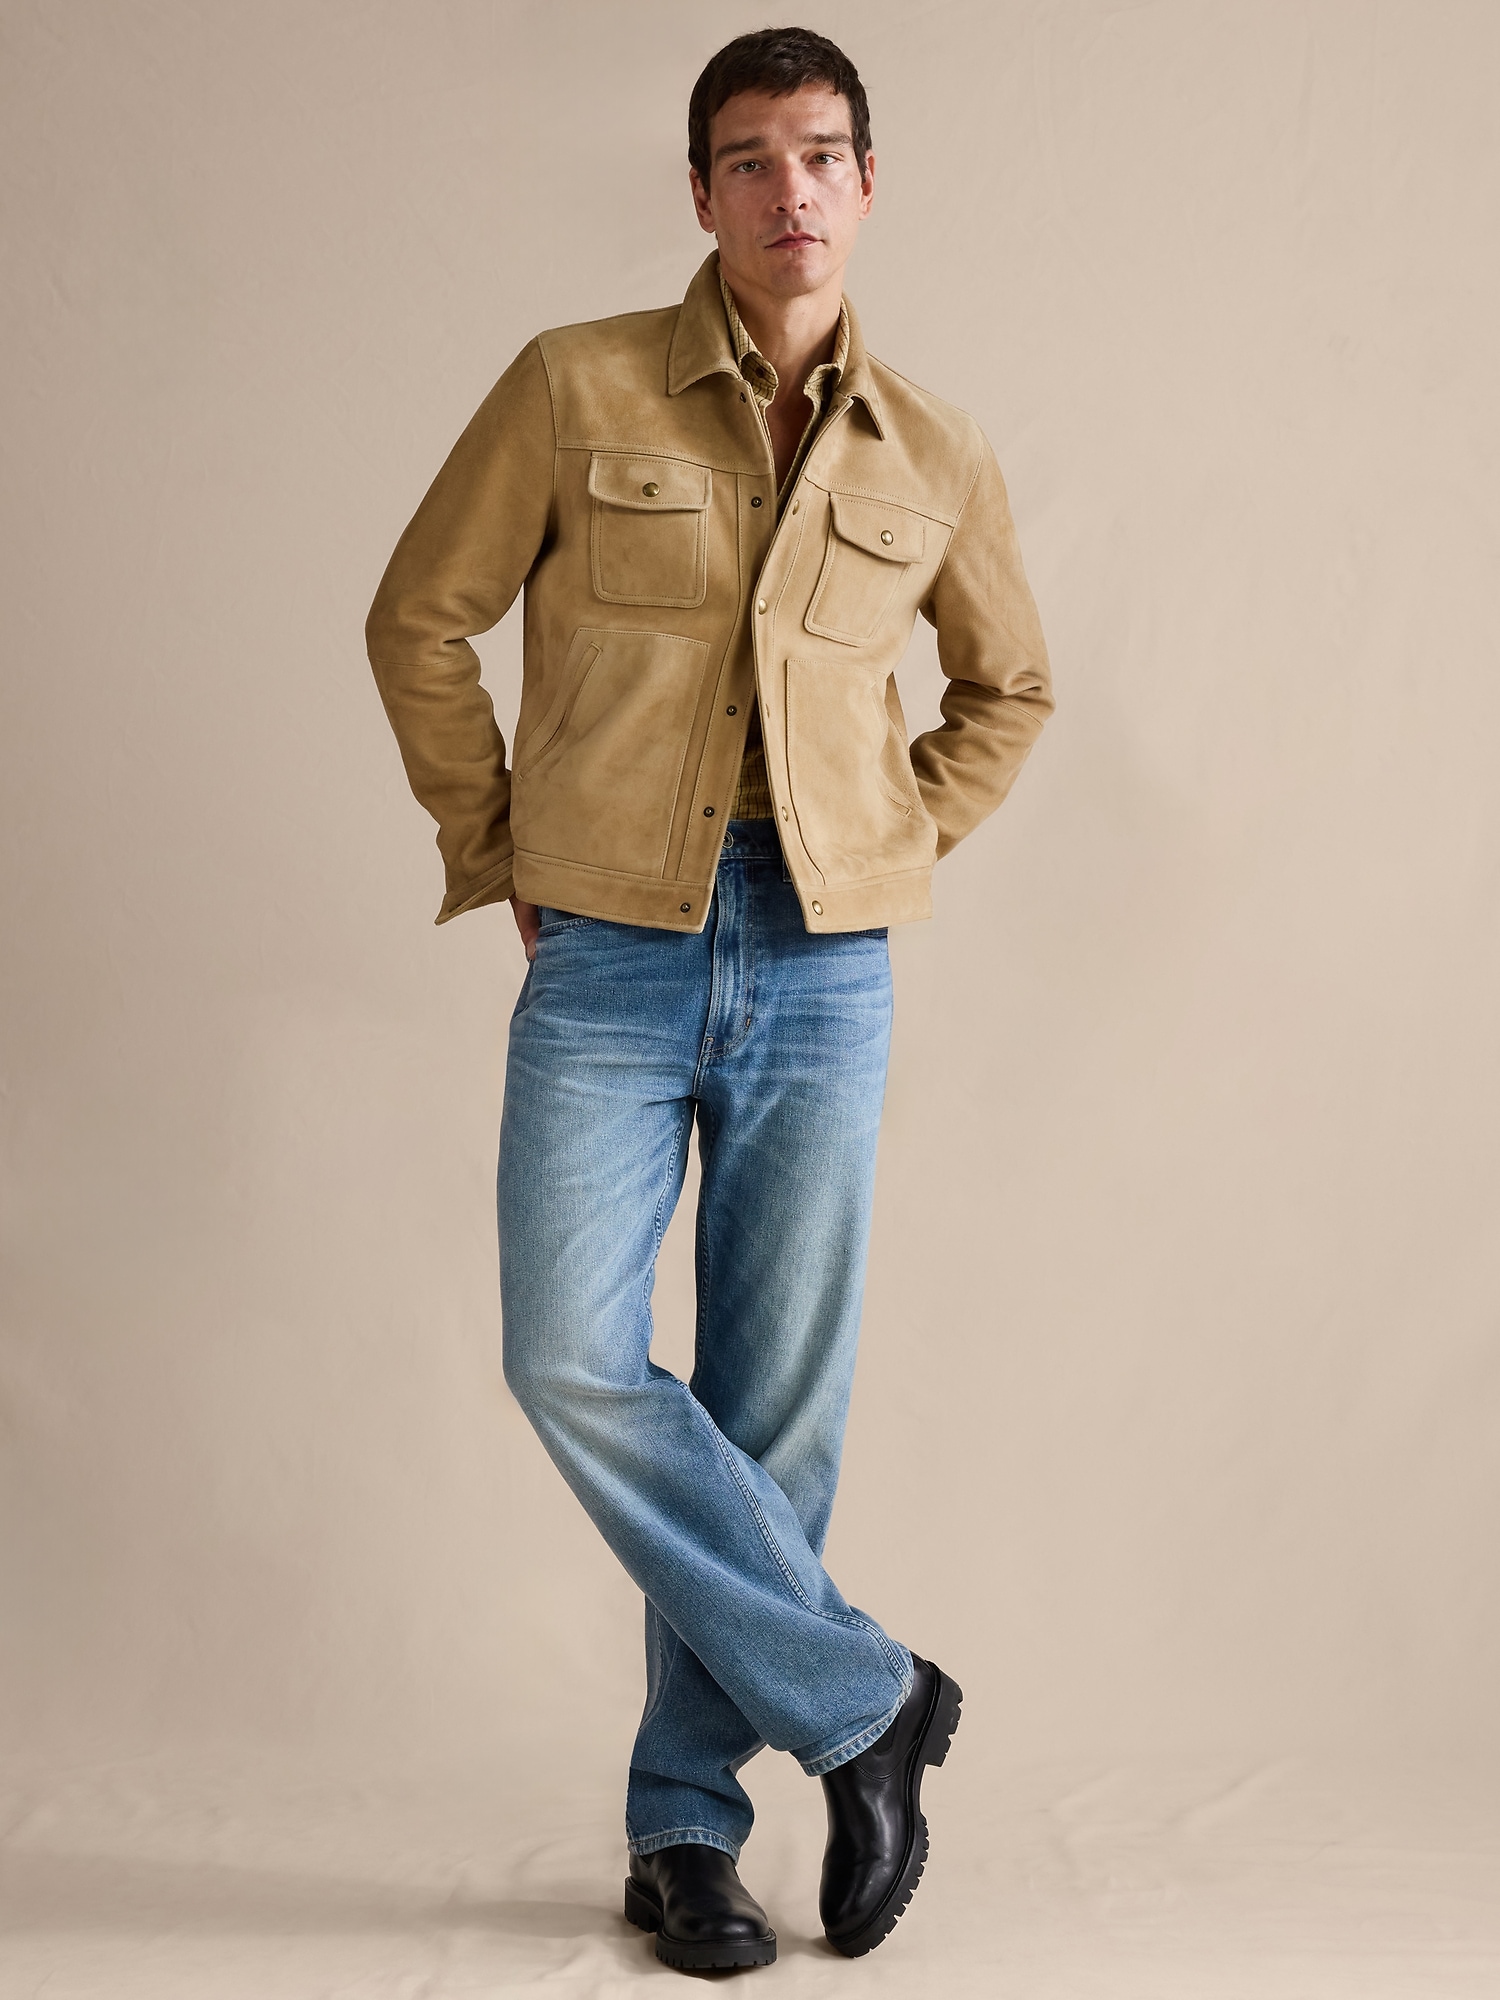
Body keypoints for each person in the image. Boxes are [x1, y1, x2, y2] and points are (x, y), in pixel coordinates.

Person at [366, 25, 1052, 1972]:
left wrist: (888, 842)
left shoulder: (932, 447)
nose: (788, 190)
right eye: (749, 159)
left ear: (867, 183)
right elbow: (419, 617)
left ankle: (687, 1829)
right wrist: (496, 843)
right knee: (566, 1353)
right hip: (609, 941)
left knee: (773, 1414)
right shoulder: (572, 383)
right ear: (700, 192)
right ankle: (867, 1698)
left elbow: (1008, 688)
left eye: (821, 154)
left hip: (827, 963)